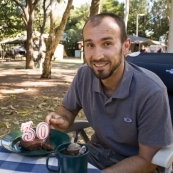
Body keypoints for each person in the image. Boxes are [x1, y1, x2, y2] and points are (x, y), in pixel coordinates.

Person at [45, 13, 173, 173]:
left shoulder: (151, 91)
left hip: (138, 165)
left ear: (126, 46)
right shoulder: (84, 75)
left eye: (107, 43)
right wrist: (62, 119)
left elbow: (147, 161)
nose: (97, 56)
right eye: (90, 45)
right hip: (96, 153)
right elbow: (67, 108)